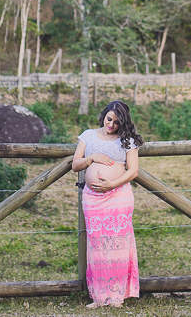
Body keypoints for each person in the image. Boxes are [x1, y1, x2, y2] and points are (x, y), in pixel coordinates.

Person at [71, 100, 143, 308]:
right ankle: (99, 297)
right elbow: (76, 164)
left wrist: (112, 183)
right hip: (92, 199)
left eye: (116, 122)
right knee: (97, 246)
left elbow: (133, 171)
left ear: (123, 123)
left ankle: (117, 296)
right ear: (103, 115)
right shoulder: (88, 136)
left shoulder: (127, 140)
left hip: (118, 196)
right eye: (109, 119)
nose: (111, 124)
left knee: (118, 246)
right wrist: (91, 158)